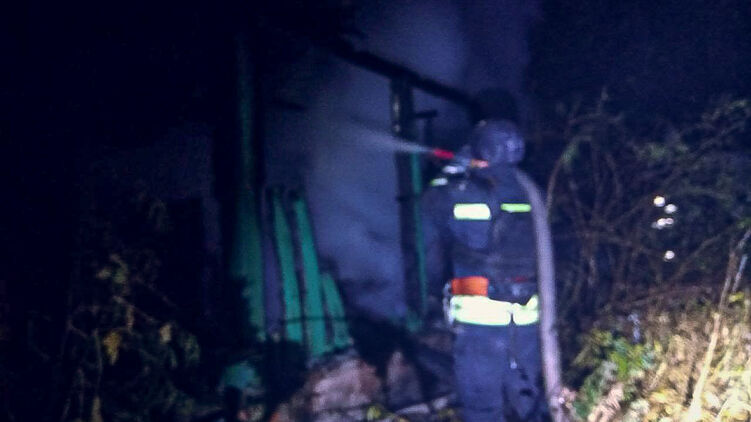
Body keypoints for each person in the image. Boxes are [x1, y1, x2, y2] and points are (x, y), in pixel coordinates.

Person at [421, 119, 549, 421]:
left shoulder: (458, 192)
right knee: (528, 399)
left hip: (480, 322)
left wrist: (452, 170)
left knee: (482, 407)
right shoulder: (533, 191)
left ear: (479, 149)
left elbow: (429, 212)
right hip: (527, 319)